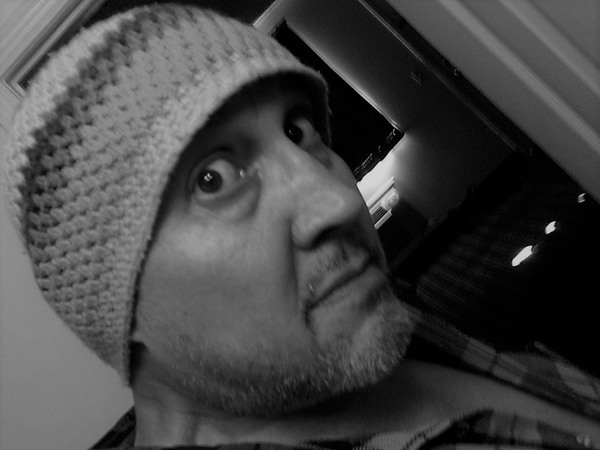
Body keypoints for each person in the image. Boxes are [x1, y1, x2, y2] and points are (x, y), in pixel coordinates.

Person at [2, 3, 599, 449]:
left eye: (298, 131)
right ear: (118, 305)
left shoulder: (367, 321)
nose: (336, 200)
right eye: (212, 178)